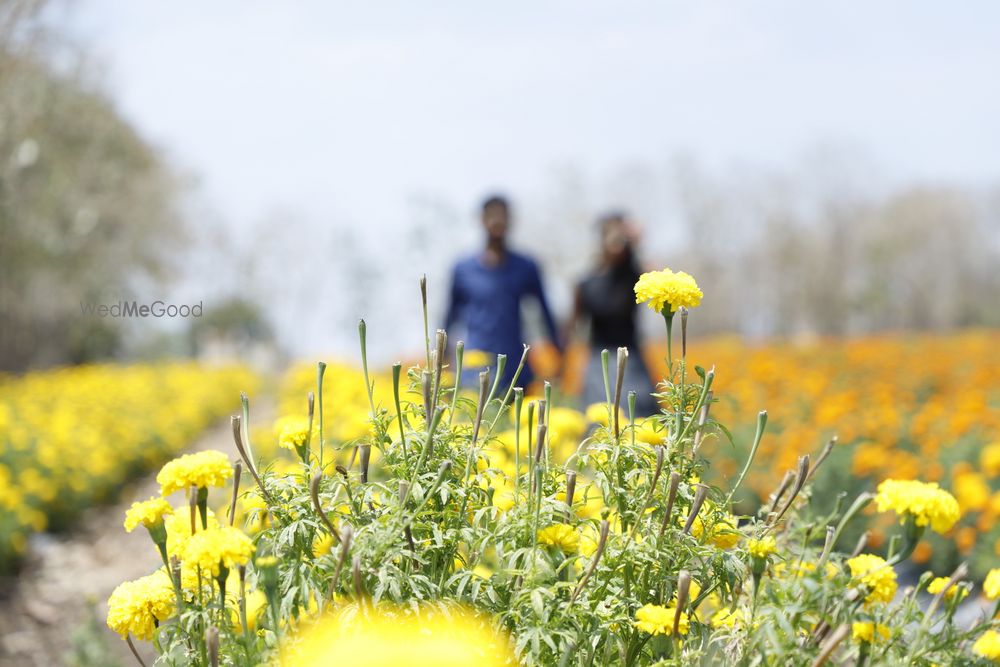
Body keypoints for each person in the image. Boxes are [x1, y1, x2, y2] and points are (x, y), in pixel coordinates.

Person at [443, 195, 561, 390]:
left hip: (515, 364)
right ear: (481, 220)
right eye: (492, 215)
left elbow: (545, 313)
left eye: (503, 216)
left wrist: (558, 354)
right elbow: (449, 318)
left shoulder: (526, 266)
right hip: (475, 366)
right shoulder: (463, 269)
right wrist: (443, 362)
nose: (497, 221)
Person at [564, 212, 657, 416]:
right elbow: (571, 327)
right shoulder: (586, 284)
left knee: (640, 420)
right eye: (611, 235)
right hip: (600, 363)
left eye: (621, 237)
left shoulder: (635, 276)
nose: (617, 243)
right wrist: (563, 365)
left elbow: (656, 280)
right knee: (599, 422)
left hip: (632, 361)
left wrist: (636, 240)